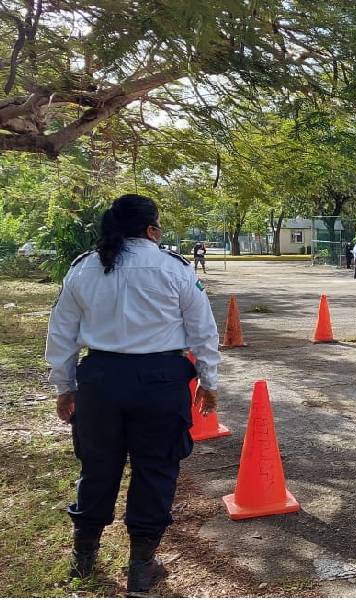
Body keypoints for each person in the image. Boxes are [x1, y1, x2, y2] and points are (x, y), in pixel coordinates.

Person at [45, 194, 221, 595]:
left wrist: (64, 387)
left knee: (97, 468)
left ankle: (84, 557)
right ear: (151, 229)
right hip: (160, 383)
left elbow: (62, 334)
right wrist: (209, 384)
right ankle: (141, 567)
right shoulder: (174, 268)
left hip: (100, 382)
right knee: (156, 470)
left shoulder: (84, 269)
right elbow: (203, 332)